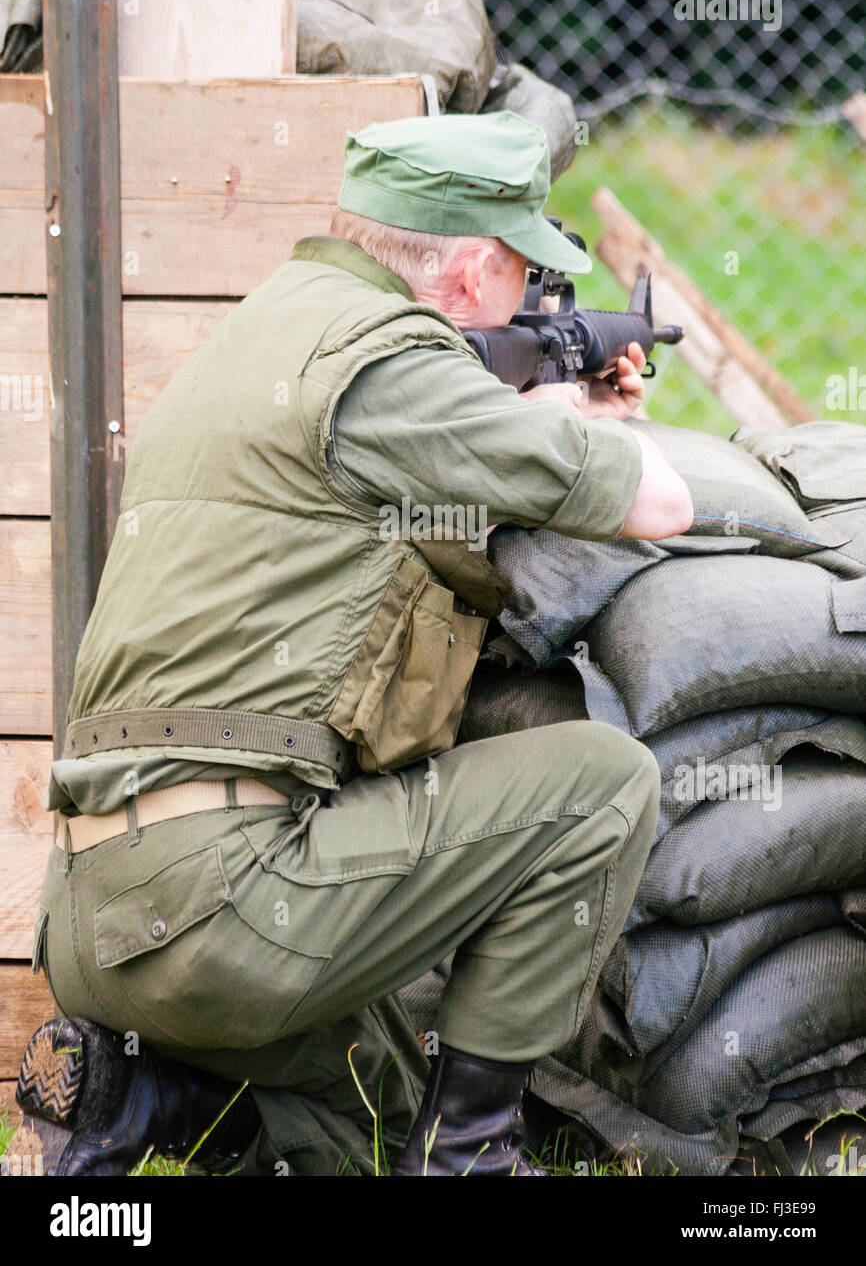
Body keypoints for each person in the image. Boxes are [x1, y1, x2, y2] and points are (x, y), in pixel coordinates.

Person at [12, 111, 692, 1177]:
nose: (523, 299)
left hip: (93, 917)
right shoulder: (392, 368)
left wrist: (537, 405)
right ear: (468, 276)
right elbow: (661, 503)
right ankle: (467, 1157)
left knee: (370, 1100)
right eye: (522, 272)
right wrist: (580, 429)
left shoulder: (265, 331)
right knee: (604, 780)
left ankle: (145, 1088)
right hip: (225, 908)